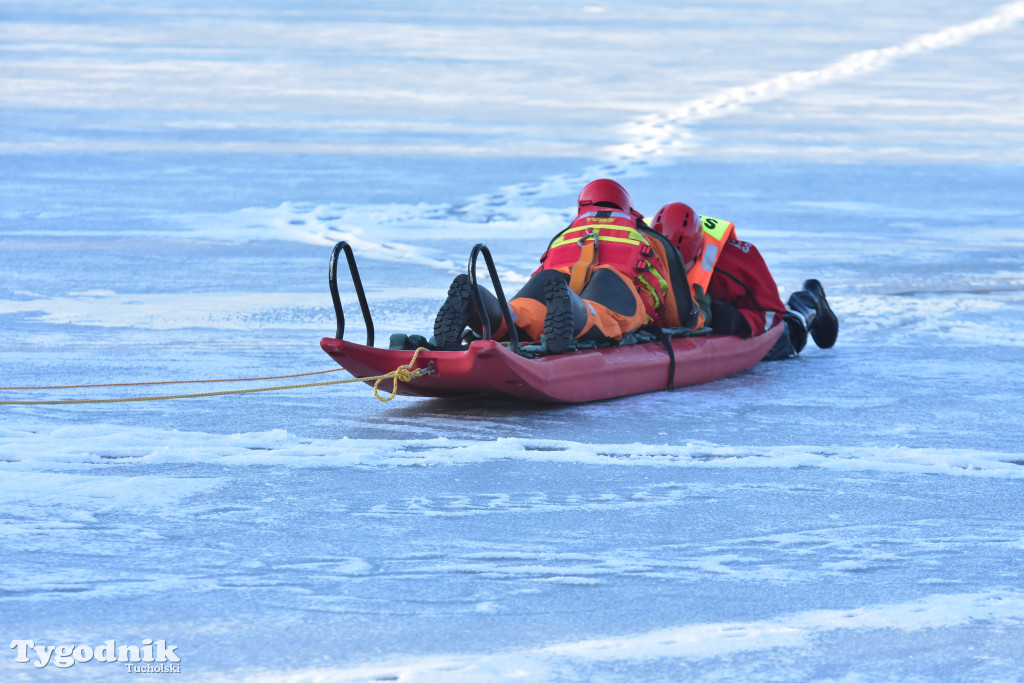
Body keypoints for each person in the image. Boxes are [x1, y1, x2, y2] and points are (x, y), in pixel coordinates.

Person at [434, 179, 702, 353]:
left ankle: (478, 301)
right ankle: (574, 310)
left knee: (520, 315)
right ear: (629, 208)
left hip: (555, 277)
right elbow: (681, 317)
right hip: (615, 282)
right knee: (604, 316)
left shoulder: (565, 234)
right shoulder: (650, 237)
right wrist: (702, 308)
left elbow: (542, 269)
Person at [649, 201, 838, 360]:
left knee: (787, 335)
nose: (671, 273)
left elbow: (773, 316)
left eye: (679, 267)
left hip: (765, 328)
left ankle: (808, 303)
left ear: (698, 252)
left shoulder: (734, 264)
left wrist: (737, 320)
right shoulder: (641, 247)